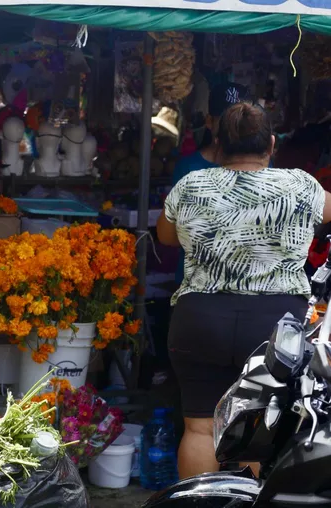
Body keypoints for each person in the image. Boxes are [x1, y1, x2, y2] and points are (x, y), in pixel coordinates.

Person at [158, 103, 331, 479]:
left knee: (200, 429)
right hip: (272, 326)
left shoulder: (192, 184)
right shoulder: (300, 185)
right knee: (257, 428)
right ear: (271, 143)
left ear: (218, 144)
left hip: (200, 319)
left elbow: (167, 236)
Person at [171, 83, 249, 285]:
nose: (232, 128)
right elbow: (170, 234)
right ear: (209, 121)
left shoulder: (263, 166)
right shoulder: (188, 169)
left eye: (239, 121)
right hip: (196, 284)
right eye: (225, 121)